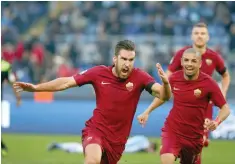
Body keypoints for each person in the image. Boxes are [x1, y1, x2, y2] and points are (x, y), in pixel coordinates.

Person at [13, 40, 171, 164]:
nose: (127, 64)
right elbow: (66, 82)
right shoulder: (98, 73)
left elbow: (164, 96)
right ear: (115, 59)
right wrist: (36, 88)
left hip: (117, 142)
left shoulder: (140, 77)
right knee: (92, 160)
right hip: (96, 130)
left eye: (131, 60)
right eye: (123, 59)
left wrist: (165, 84)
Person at [140, 22, 231, 164]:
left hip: (200, 119)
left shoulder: (211, 73)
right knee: (167, 156)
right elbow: (165, 94)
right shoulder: (176, 75)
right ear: (182, 62)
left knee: (199, 147)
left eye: (202, 33)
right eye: (196, 33)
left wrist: (217, 120)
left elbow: (225, 106)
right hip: (174, 128)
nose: (189, 63)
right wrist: (148, 110)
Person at [47, 135, 158, 154]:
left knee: (82, 149)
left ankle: (62, 146)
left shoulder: (142, 140)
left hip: (112, 144)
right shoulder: (144, 142)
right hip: (112, 145)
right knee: (84, 150)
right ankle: (59, 146)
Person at [1, 59, 21, 157]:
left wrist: (17, 97)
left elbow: (12, 82)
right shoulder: (5, 65)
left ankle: (2, 146)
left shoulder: (5, 66)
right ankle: (2, 146)